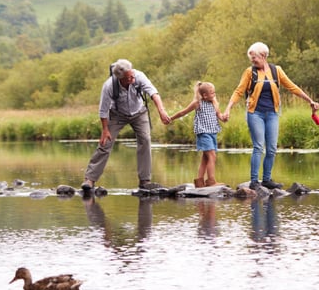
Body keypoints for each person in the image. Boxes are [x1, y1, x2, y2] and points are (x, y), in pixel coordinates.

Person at [223, 42, 319, 190]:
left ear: (264, 55)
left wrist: (310, 100)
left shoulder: (276, 70)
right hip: (255, 113)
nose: (252, 61)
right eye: (251, 58)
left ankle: (267, 179)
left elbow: (292, 87)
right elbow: (239, 91)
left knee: (272, 148)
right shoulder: (250, 72)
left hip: (272, 113)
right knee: (258, 146)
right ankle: (254, 181)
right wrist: (228, 108)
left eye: (254, 57)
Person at [81, 59, 171, 191]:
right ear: (120, 78)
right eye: (129, 77)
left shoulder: (138, 76)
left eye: (132, 74)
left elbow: (154, 93)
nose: (132, 77)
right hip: (117, 114)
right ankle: (89, 179)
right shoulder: (109, 86)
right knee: (105, 144)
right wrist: (105, 129)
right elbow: (103, 110)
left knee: (145, 140)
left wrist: (161, 111)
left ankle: (144, 181)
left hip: (139, 113)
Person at [169, 81, 226, 187]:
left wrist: (224, 118)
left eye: (214, 92)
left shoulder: (214, 102)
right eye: (212, 93)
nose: (214, 95)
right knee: (212, 156)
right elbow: (183, 112)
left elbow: (219, 115)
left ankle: (199, 181)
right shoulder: (198, 103)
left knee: (206, 157)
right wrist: (171, 118)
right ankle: (211, 181)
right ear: (205, 95)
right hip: (203, 132)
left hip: (213, 132)